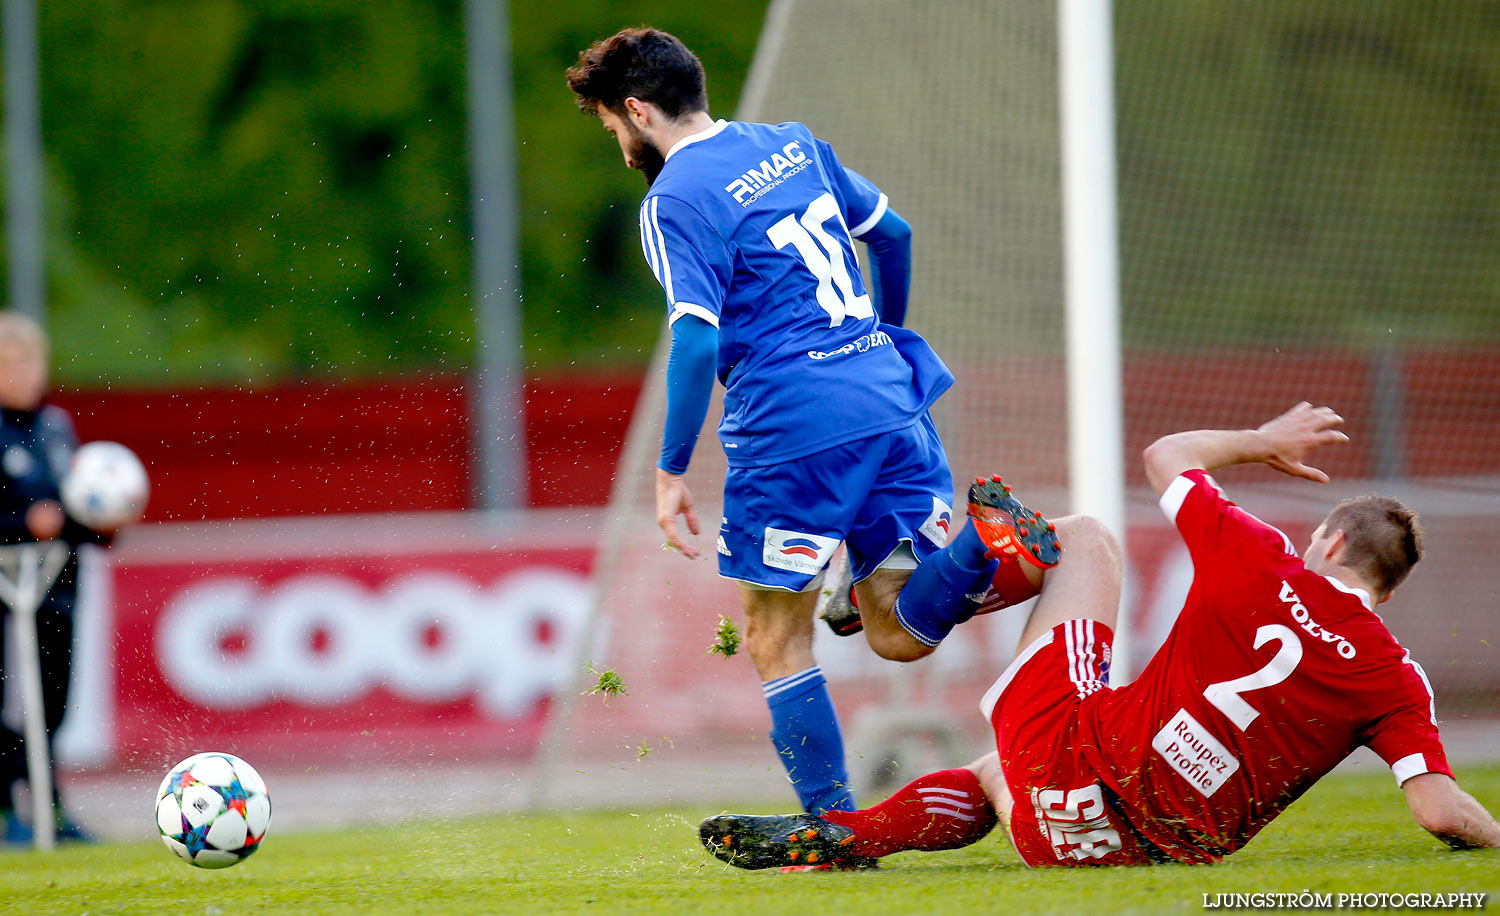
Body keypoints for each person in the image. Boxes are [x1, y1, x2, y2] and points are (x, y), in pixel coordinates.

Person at [566, 28, 1061, 818]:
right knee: (898, 630)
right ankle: (983, 544)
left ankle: (831, 823)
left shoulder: (674, 199)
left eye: (612, 128)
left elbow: (696, 336)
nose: (620, 146)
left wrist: (669, 471)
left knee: (773, 637)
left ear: (636, 111)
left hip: (791, 428)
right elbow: (891, 234)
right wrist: (883, 343)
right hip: (890, 399)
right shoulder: (792, 145)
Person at [700, 403, 1500, 869]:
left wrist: (1267, 440)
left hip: (1069, 766)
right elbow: (1437, 809)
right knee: (989, 778)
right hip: (1115, 849)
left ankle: (933, 585)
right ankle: (848, 817)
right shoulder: (1395, 680)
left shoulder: (1263, 558)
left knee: (1084, 540)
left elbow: (1166, 455)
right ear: (1387, 591)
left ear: (1327, 541)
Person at [0, 312, 111, 844]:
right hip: (4, 587)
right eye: (12, 363)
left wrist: (102, 523)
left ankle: (51, 806)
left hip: (56, 586)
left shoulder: (57, 428)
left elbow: (79, 510)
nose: (26, 373)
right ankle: (6, 808)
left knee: (53, 702)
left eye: (32, 361)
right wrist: (24, 523)